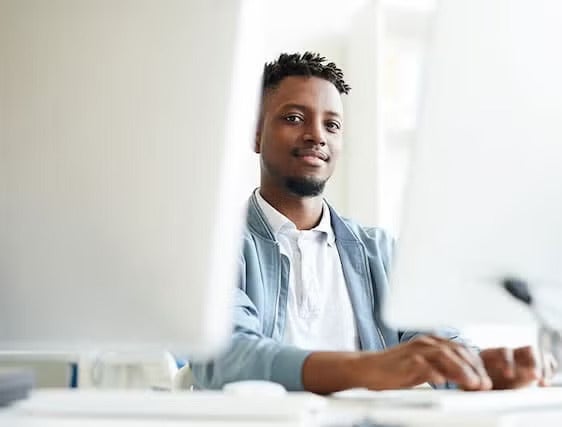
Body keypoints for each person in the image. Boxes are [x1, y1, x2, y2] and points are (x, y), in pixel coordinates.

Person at [191, 52, 544, 393]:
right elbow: (223, 356)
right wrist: (368, 368)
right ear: (255, 134)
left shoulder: (381, 250)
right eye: (294, 118)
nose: (317, 135)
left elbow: (433, 340)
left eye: (331, 124)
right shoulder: (218, 246)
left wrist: (480, 367)